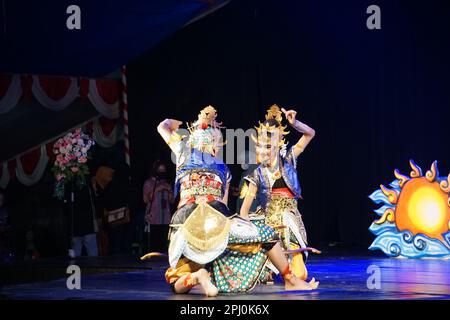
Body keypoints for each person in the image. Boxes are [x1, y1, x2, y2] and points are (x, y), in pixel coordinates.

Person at [141, 105, 318, 297]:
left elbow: (162, 127)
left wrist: (176, 123)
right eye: (219, 144)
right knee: (267, 234)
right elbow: (223, 209)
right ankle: (290, 279)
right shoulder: (224, 171)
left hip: (184, 223)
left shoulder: (183, 153)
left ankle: (197, 276)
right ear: (214, 146)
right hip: (214, 223)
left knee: (176, 280)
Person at [240, 104, 319, 281]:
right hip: (268, 225)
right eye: (259, 146)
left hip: (290, 222)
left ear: (278, 144)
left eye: (267, 146)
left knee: (300, 274)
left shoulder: (289, 160)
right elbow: (244, 211)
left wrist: (295, 123)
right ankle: (272, 265)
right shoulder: (257, 174)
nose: (262, 151)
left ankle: (288, 267)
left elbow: (310, 134)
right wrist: (251, 233)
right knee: (260, 277)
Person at [143, 160, 174, 252]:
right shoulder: (149, 183)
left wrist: (169, 191)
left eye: (163, 171)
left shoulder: (167, 183)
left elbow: (171, 201)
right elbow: (146, 200)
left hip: (165, 219)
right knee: (154, 246)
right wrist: (157, 189)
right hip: (153, 218)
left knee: (164, 245)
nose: (162, 173)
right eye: (159, 170)